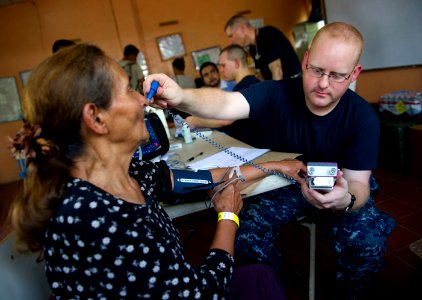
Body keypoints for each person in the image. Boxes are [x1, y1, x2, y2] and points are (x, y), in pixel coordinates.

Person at [9, 43, 300, 299]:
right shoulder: (92, 217)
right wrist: (228, 217)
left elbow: (201, 178)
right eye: (128, 89)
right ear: (96, 118)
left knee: (260, 276)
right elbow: (203, 294)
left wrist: (272, 165)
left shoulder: (127, 172)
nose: (142, 99)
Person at [144, 22, 396, 298]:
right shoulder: (276, 93)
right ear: (306, 60)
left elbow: (359, 184)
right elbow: (225, 104)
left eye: (337, 75)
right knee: (244, 236)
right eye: (317, 71)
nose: (324, 84)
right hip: (285, 185)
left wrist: (345, 201)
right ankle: (277, 281)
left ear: (354, 74)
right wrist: (181, 96)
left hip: (340, 189)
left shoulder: (362, 118)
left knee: (368, 245)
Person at [186, 45, 264, 147]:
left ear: (236, 63)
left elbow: (225, 120)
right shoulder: (255, 83)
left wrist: (195, 121)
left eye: (223, 65)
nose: (221, 70)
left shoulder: (243, 88)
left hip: (254, 147)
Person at [224, 15, 301, 80]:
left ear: (242, 29)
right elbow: (261, 73)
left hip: (293, 85)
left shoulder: (268, 35)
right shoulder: (252, 47)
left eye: (231, 36)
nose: (230, 41)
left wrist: (274, 95)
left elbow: (277, 71)